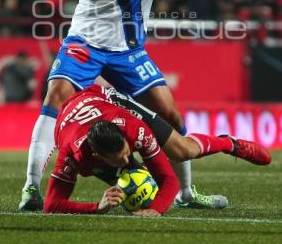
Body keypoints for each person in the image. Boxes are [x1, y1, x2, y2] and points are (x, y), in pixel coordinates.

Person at [16, 0, 226, 211]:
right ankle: (30, 189)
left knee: (169, 112)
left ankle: (186, 192)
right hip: (84, 41)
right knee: (54, 97)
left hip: (128, 50)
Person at [43, 84, 271, 216]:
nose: (127, 158)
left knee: (183, 151)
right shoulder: (70, 155)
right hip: (71, 120)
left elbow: (168, 178)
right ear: (97, 157)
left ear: (124, 138)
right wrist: (97, 207)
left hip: (104, 100)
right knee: (135, 179)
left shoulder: (132, 128)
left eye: (127, 151)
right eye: (119, 158)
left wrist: (156, 210)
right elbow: (52, 204)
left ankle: (230, 143)